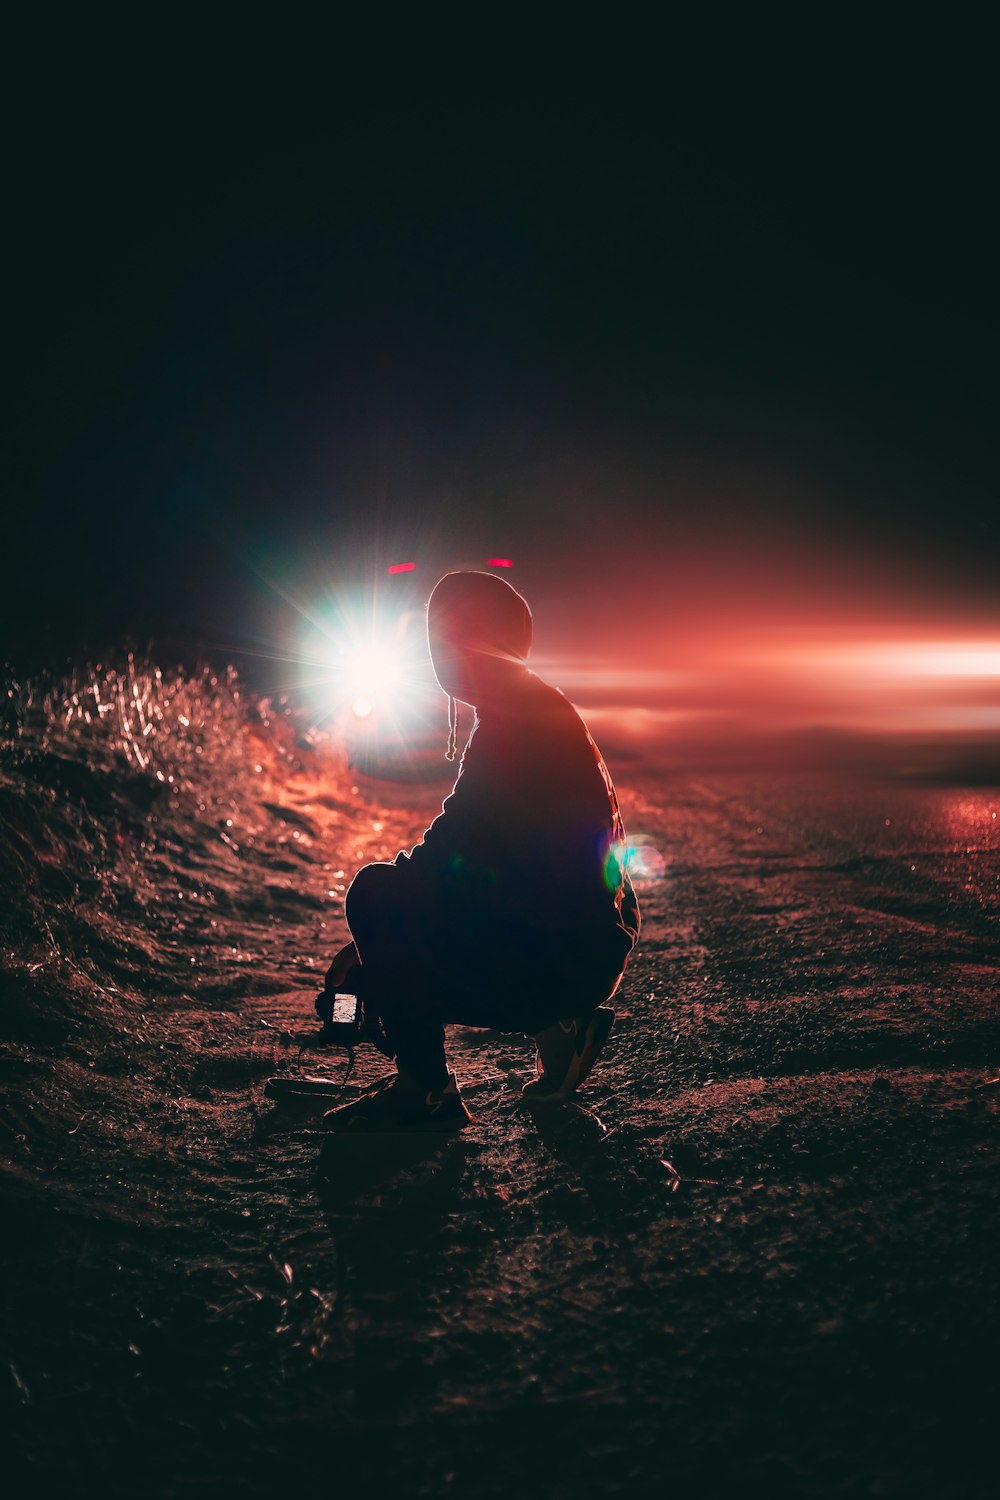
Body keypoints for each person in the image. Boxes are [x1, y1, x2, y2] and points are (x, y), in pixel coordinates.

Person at [317, 570, 640, 1132]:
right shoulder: (534, 709)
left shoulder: (515, 727)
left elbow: (448, 859)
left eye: (444, 638)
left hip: (566, 957)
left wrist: (372, 953)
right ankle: (559, 1030)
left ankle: (426, 1091)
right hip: (586, 944)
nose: (436, 655)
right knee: (390, 941)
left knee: (374, 893)